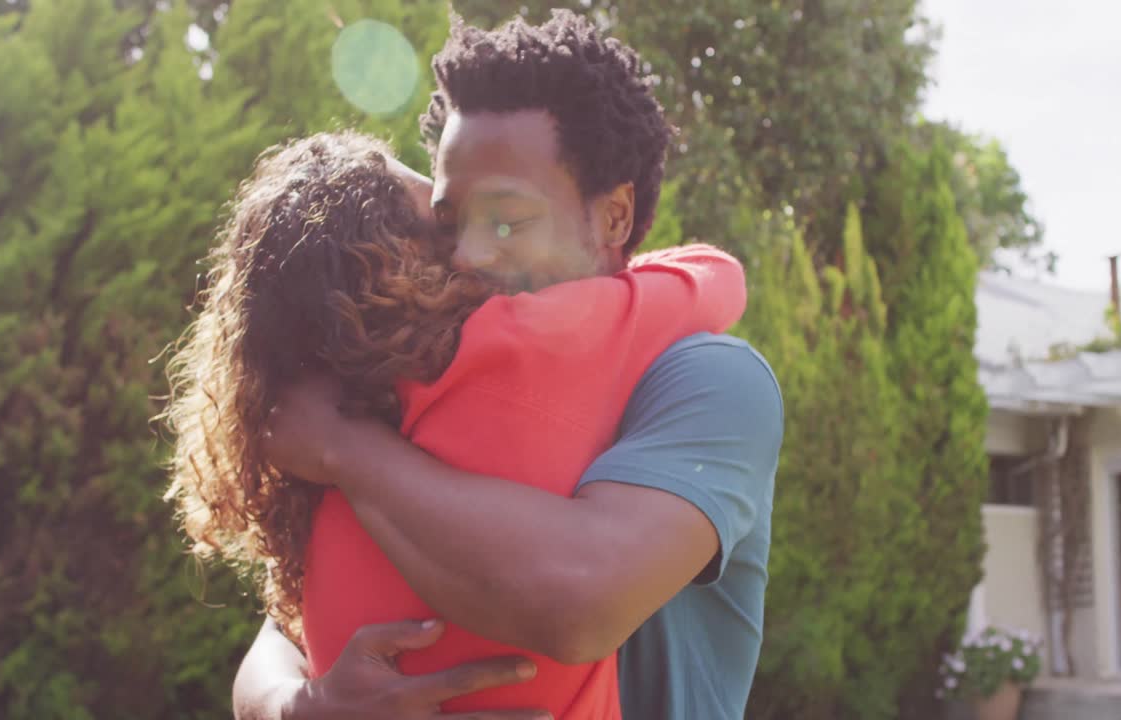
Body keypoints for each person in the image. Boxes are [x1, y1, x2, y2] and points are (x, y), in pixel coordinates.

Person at [236, 11, 783, 720]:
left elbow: (581, 601)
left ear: (614, 217)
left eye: (507, 222)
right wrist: (299, 706)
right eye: (449, 219)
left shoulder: (708, 378)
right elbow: (278, 635)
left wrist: (346, 449)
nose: (467, 255)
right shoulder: (427, 365)